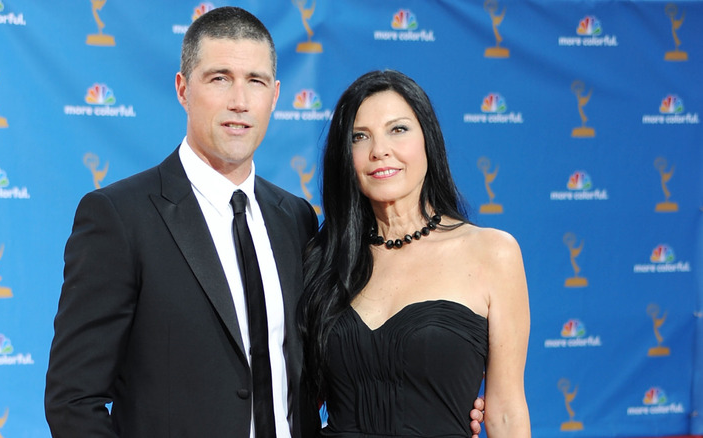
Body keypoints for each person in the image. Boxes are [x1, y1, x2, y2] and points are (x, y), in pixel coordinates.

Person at [44, 7, 485, 438]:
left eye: (254, 82)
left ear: (274, 96)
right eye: (219, 79)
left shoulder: (295, 219)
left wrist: (432, 399)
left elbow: (330, 370)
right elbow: (72, 400)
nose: (239, 101)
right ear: (182, 88)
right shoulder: (120, 216)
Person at [299, 70, 531, 438]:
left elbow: (505, 412)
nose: (379, 150)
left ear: (428, 141)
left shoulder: (493, 253)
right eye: (360, 137)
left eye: (398, 129)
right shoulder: (324, 258)